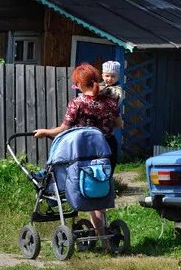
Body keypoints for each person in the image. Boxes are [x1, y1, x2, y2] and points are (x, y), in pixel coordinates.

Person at [34, 63, 119, 239]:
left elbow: (63, 129)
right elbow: (119, 124)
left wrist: (44, 132)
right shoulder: (110, 101)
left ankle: (100, 234)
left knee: (86, 187)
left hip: (83, 152)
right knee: (100, 185)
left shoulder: (77, 103)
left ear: (80, 83)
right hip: (107, 149)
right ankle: (102, 232)